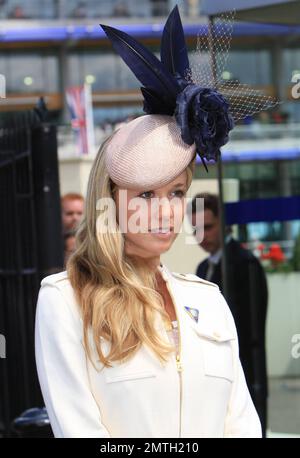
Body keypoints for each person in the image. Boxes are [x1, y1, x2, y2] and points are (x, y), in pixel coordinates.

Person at [35, 6, 261, 438]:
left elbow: (243, 424)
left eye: (176, 192)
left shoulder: (210, 301)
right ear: (111, 201)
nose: (166, 210)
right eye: (145, 194)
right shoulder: (66, 302)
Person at [190, 193, 268, 436]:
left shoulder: (245, 263)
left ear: (225, 224)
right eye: (195, 229)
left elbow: (251, 325)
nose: (201, 236)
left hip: (244, 368)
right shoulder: (203, 268)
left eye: (208, 227)